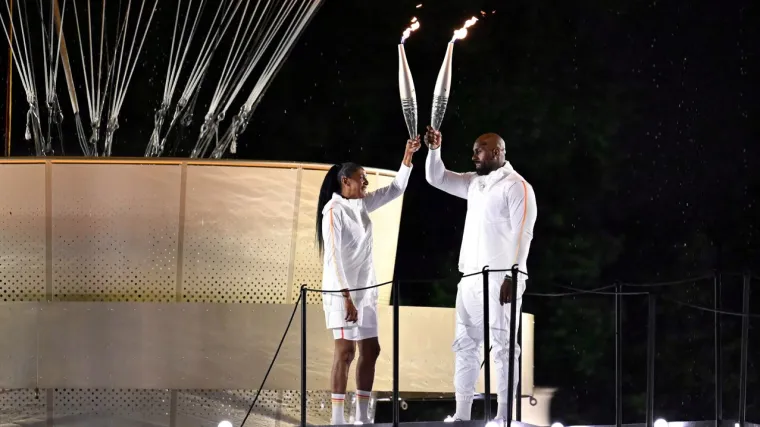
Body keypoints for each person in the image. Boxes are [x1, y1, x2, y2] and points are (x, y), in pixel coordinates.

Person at [423, 125, 537, 423]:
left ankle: (503, 417)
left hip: (502, 279)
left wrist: (514, 275)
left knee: (503, 348)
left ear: (497, 152)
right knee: (465, 345)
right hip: (470, 277)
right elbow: (435, 177)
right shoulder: (475, 183)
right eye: (474, 150)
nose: (473, 155)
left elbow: (523, 234)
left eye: (479, 150)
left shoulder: (517, 186)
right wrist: (434, 150)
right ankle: (461, 414)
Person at [317, 136, 421, 425]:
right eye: (361, 179)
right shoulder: (332, 211)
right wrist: (346, 296)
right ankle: (338, 419)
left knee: (371, 350)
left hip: (366, 291)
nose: (366, 183)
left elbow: (397, 188)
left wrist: (407, 155)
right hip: (342, 293)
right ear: (344, 181)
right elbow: (334, 258)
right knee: (346, 351)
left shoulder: (361, 205)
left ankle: (361, 416)